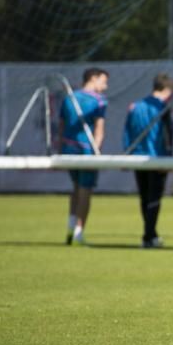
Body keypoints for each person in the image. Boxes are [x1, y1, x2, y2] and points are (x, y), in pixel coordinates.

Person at [123, 72, 173, 248]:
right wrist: (168, 158)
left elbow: (127, 132)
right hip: (156, 157)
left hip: (137, 157)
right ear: (166, 89)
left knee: (144, 197)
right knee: (154, 198)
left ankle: (149, 234)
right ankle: (149, 236)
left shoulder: (135, 106)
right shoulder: (163, 108)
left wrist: (126, 155)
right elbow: (168, 136)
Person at [61, 67, 109, 246]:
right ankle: (79, 233)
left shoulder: (69, 99)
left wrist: (62, 148)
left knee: (75, 188)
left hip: (69, 150)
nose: (105, 86)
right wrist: (96, 150)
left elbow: (61, 126)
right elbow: (99, 130)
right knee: (85, 191)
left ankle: (70, 227)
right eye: (103, 81)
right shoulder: (99, 100)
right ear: (93, 78)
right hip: (87, 151)